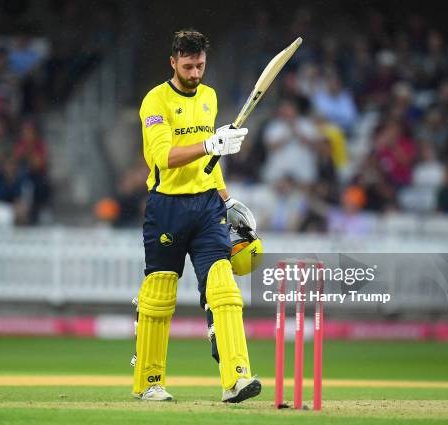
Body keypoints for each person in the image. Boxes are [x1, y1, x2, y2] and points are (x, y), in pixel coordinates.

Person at [132, 29, 260, 403]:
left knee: (223, 288)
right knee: (159, 296)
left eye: (200, 65)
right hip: (167, 206)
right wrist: (209, 143)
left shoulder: (209, 96)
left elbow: (210, 163)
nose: (194, 73)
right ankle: (148, 382)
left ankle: (236, 379)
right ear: (173, 62)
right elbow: (162, 157)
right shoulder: (155, 101)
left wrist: (227, 198)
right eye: (187, 66)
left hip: (206, 206)